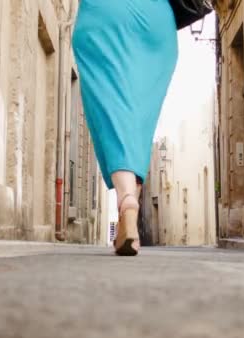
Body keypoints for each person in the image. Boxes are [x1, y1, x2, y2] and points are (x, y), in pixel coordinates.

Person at [73, 0, 178, 256]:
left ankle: (126, 201)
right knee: (137, 124)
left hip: (104, 15)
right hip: (158, 23)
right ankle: (126, 220)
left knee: (113, 112)